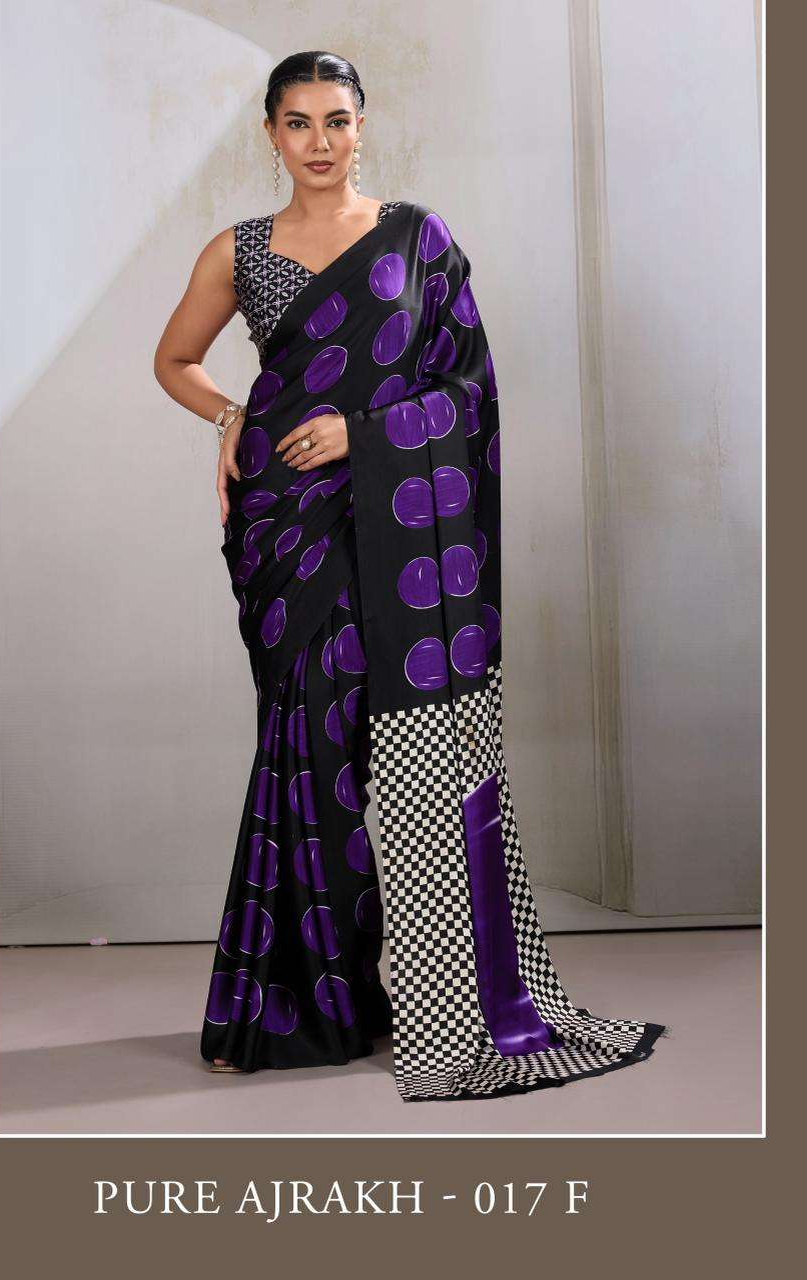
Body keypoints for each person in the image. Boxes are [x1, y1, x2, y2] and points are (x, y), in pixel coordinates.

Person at [153, 50, 668, 1103]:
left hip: (395, 524)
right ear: (270, 133)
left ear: (362, 125)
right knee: (306, 746)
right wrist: (234, 416)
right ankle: (294, 1005)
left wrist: (363, 431)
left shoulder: (415, 240)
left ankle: (431, 995)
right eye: (299, 122)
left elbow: (467, 390)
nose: (320, 142)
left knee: (407, 752)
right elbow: (175, 360)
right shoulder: (238, 250)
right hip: (288, 524)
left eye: (337, 120)